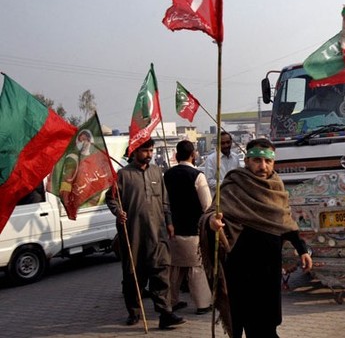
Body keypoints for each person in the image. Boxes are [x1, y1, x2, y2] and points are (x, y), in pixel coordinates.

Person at [200, 138, 313, 338]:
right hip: (240, 268)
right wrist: (212, 223)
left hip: (268, 269)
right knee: (239, 320)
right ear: (247, 161)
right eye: (257, 160)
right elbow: (211, 214)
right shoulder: (233, 184)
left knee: (266, 325)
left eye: (268, 161)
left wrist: (302, 249)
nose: (263, 166)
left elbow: (285, 221)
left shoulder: (276, 186)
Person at [105, 138, 185, 330]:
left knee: (161, 272)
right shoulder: (123, 175)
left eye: (151, 150)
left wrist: (169, 222)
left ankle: (165, 313)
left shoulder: (157, 171)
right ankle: (134, 312)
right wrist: (118, 212)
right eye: (145, 151)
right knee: (134, 274)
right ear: (134, 152)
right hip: (133, 234)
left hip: (157, 233)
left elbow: (165, 200)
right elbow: (111, 198)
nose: (149, 154)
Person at [163, 140, 213, 315]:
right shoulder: (198, 176)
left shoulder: (167, 175)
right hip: (193, 229)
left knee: (175, 268)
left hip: (172, 229)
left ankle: (170, 301)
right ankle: (203, 303)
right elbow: (207, 206)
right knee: (195, 267)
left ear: (176, 155)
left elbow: (165, 203)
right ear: (194, 154)